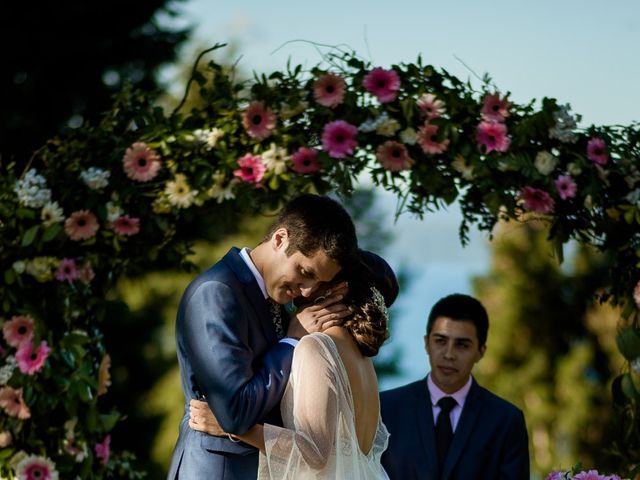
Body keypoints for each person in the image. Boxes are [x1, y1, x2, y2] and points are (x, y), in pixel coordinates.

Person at [167, 194, 360, 480]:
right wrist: (292, 341)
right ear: (280, 238)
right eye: (305, 272)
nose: (308, 291)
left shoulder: (276, 299)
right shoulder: (216, 292)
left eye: (319, 282)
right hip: (217, 470)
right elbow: (235, 413)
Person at [188, 254, 400, 479]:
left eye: (318, 276)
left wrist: (233, 427)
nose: (305, 286)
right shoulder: (364, 361)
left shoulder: (316, 346)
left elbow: (315, 454)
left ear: (338, 290)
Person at [380, 293, 530, 480]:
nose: (449, 354)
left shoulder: (506, 421)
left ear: (480, 352)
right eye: (440, 341)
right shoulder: (386, 408)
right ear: (426, 343)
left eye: (462, 345)